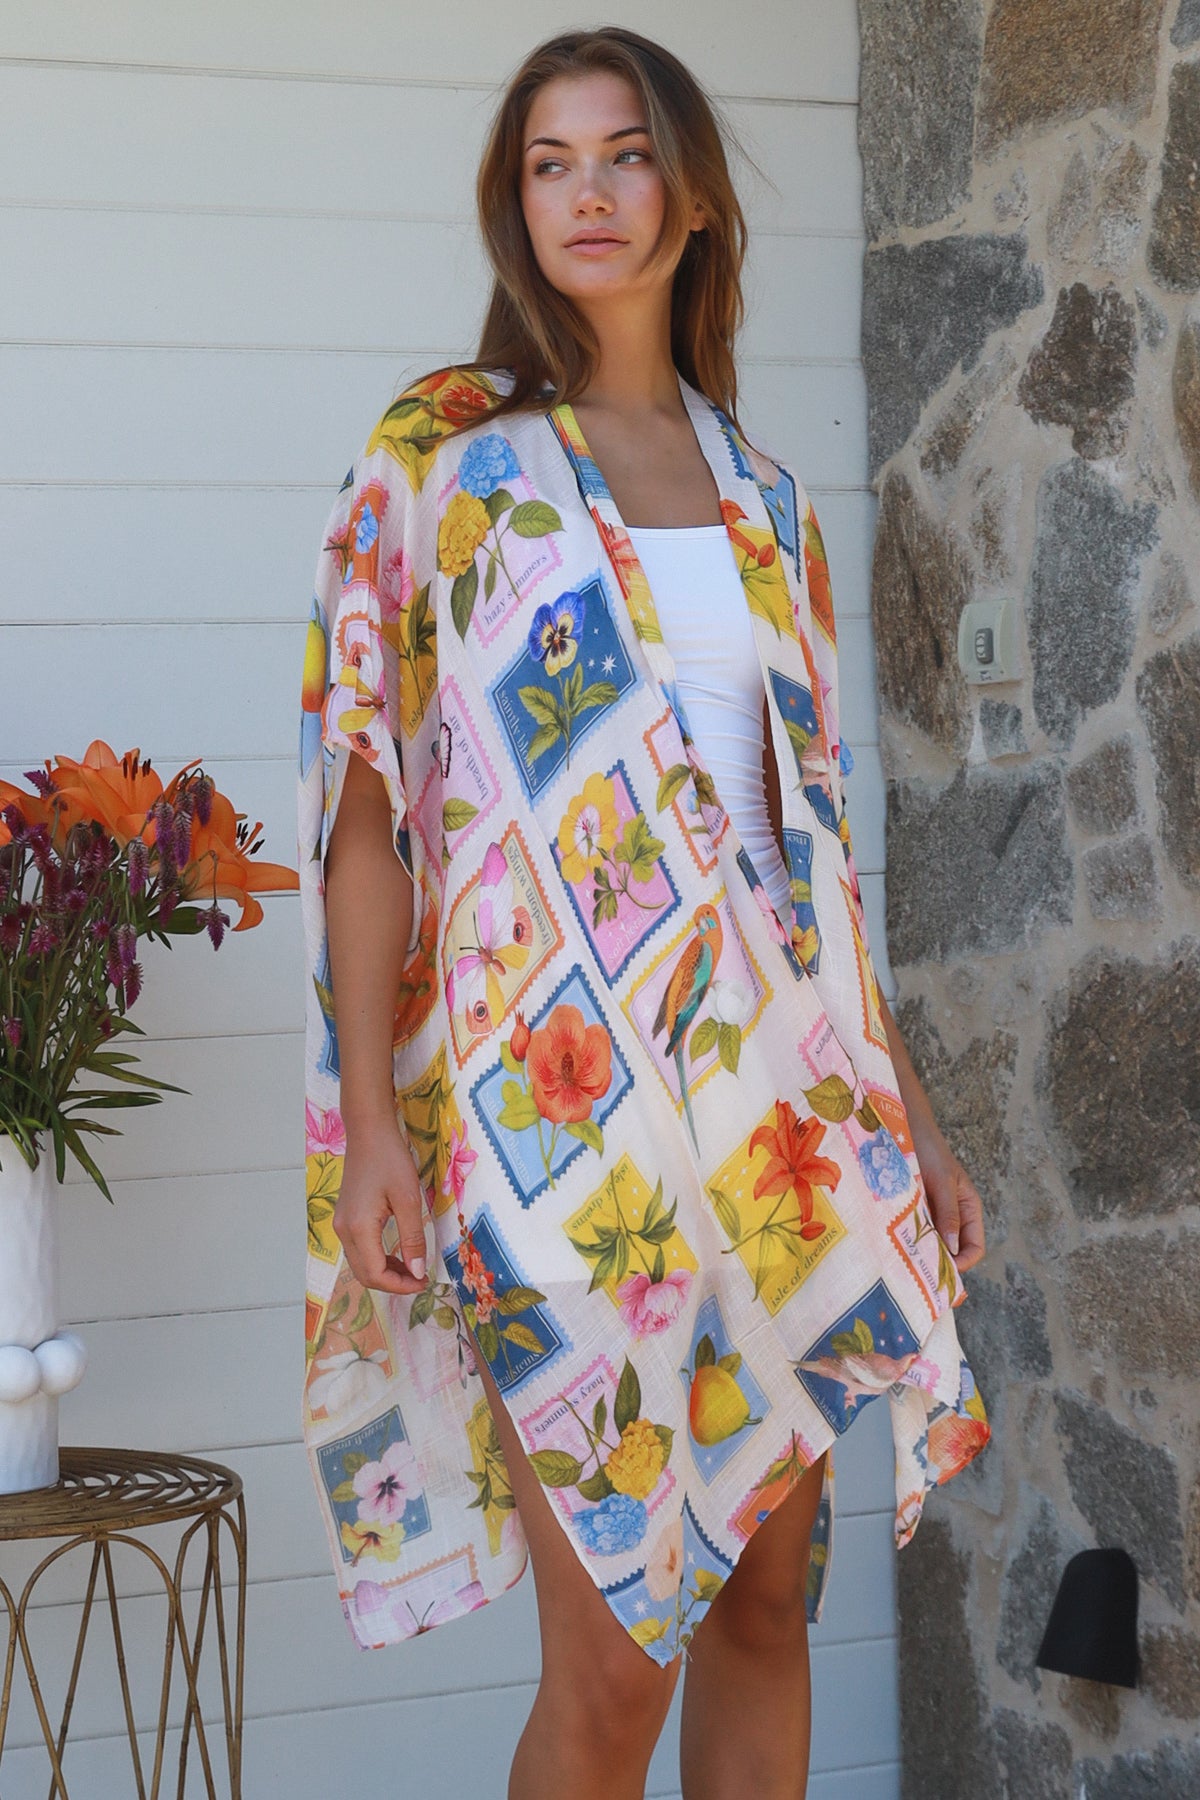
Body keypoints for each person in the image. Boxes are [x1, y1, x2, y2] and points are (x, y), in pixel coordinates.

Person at [298, 26, 989, 1800]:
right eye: (550, 163)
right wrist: (371, 1122)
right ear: (513, 204)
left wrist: (906, 1116)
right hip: (558, 1130)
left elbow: (807, 855)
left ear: (690, 200)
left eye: (622, 156)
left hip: (779, 1116)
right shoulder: (446, 462)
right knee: (614, 1665)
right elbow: (367, 818)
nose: (588, 193)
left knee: (763, 1610)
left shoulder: (768, 504)